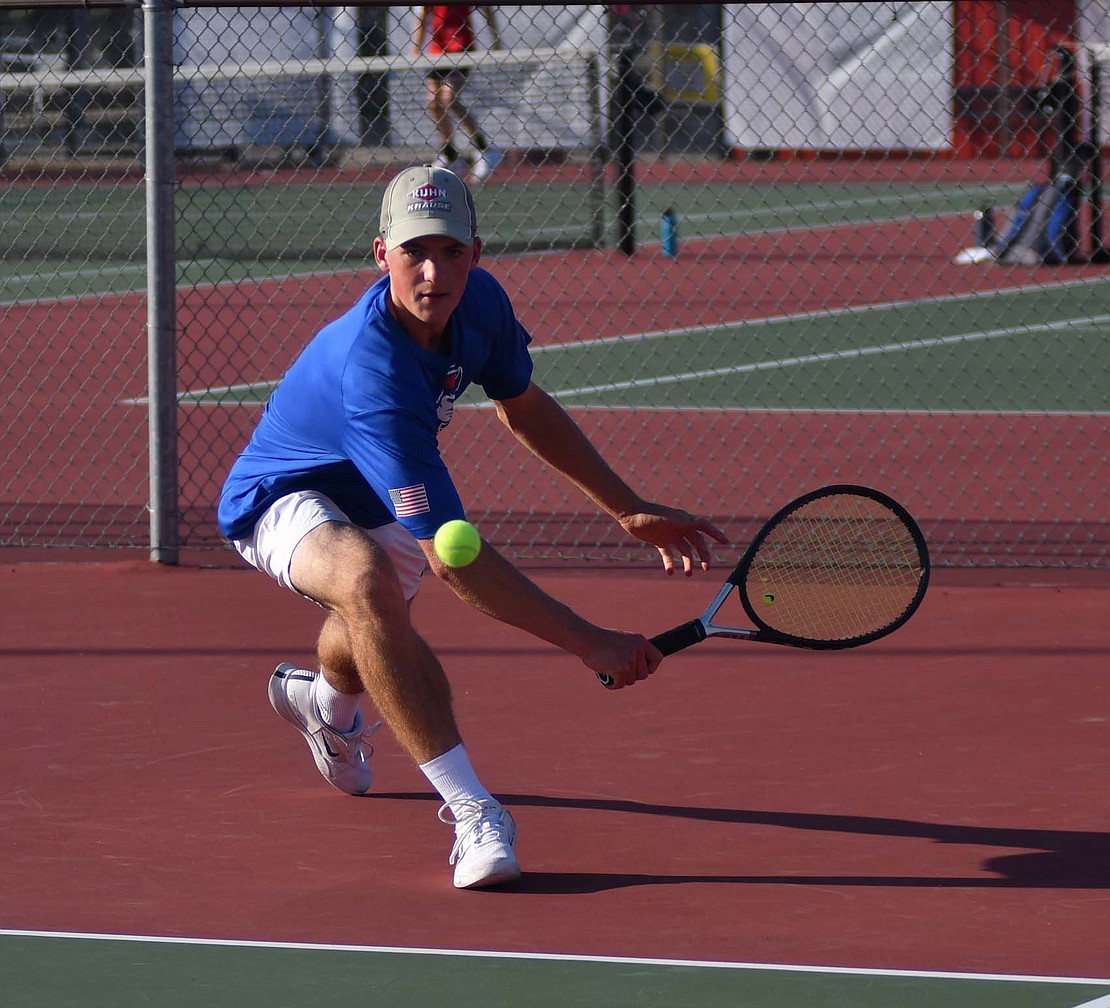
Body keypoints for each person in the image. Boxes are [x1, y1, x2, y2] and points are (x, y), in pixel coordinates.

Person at [217, 165, 728, 890]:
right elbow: (456, 564)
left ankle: (325, 706)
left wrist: (625, 506)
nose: (433, 271)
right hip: (281, 495)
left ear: (477, 253)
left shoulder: (479, 303)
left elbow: (521, 404)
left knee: (373, 615)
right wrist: (592, 642)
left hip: (373, 494)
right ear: (380, 254)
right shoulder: (375, 374)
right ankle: (473, 810)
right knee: (363, 581)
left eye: (452, 251)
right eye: (414, 252)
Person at [411, 5, 503, 182]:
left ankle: (484, 149)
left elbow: (487, 10)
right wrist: (416, 48)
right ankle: (449, 154)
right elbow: (422, 16)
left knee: (449, 98)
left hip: (461, 47)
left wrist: (496, 40)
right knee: (433, 102)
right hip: (437, 51)